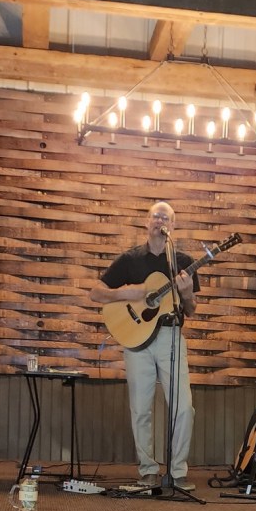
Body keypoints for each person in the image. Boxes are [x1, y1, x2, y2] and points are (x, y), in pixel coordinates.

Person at [89, 201, 200, 491]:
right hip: (137, 340)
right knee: (140, 409)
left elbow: (190, 310)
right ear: (146, 222)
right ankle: (148, 471)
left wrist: (188, 293)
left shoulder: (183, 261)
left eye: (166, 218)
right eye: (156, 216)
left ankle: (176, 472)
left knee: (183, 408)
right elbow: (96, 293)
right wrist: (126, 293)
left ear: (173, 226)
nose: (160, 221)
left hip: (170, 336)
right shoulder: (130, 259)